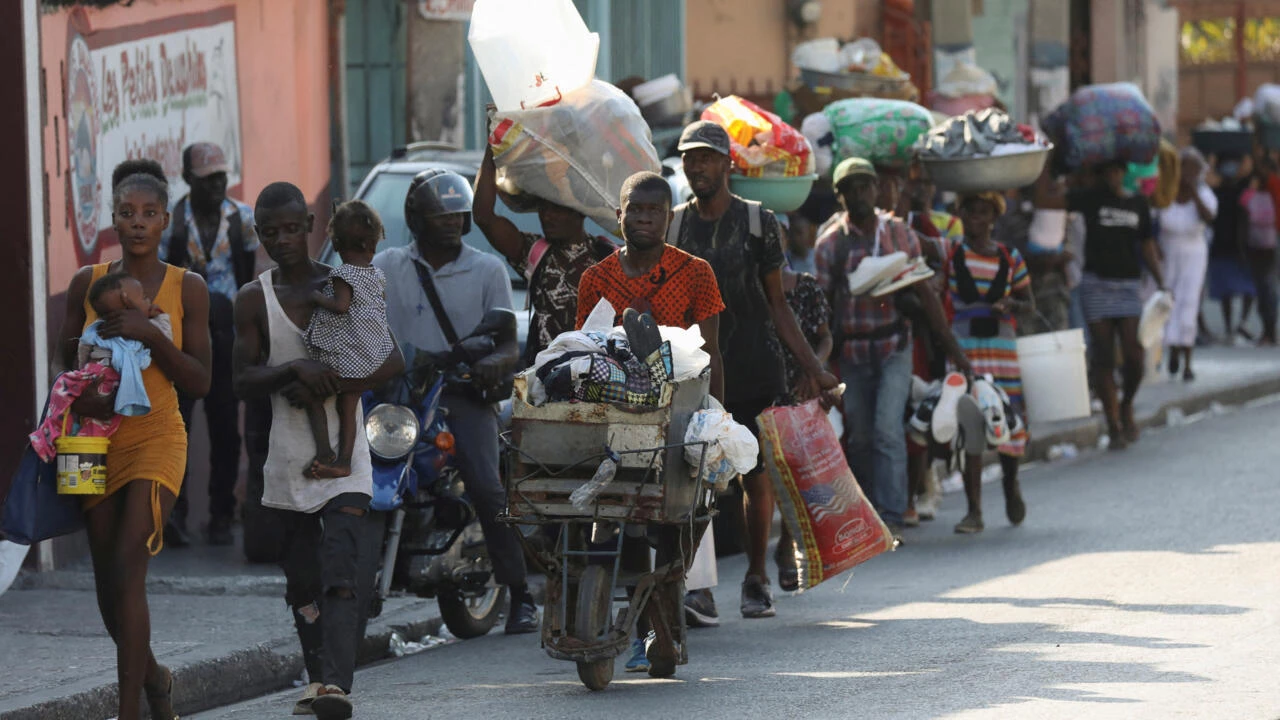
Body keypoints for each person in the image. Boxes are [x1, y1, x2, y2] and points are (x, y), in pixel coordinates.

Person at [232, 182, 404, 719]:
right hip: (287, 456)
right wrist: (292, 371)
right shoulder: (252, 298)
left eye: (291, 228)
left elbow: (393, 361)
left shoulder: (344, 283)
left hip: (347, 460)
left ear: (310, 226)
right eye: (271, 231)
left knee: (342, 566)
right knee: (302, 578)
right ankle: (316, 678)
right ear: (258, 234)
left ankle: (335, 685)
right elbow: (240, 380)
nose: (282, 239)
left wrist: (335, 380)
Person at [57, 159, 212, 720]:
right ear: (114, 221)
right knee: (107, 585)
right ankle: (156, 678)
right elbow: (66, 364)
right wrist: (83, 396)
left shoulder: (185, 287)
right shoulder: (87, 283)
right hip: (96, 442)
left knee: (128, 564)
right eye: (128, 213)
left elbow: (201, 379)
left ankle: (131, 711)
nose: (139, 222)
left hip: (156, 437)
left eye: (149, 213)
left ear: (165, 220)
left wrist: (150, 333)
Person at [670, 120, 840, 622]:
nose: (697, 166)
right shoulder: (675, 225)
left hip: (753, 362)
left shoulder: (758, 223)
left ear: (728, 165)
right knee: (692, 476)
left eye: (706, 157)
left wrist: (813, 368)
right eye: (690, 157)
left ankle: (756, 578)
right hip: (694, 369)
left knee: (754, 474)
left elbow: (778, 305)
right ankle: (698, 587)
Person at [372, 169, 539, 635]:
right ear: (417, 217)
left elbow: (507, 342)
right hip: (401, 396)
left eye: (456, 216)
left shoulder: (486, 270)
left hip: (463, 395)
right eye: (438, 214)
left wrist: (493, 365)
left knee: (487, 487)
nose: (449, 222)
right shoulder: (387, 265)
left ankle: (520, 593)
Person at [576, 170, 726, 673]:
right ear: (618, 215)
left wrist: (716, 419)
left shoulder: (696, 272)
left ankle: (664, 623)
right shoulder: (595, 279)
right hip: (614, 418)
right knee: (625, 521)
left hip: (678, 418)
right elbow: (584, 352)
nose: (643, 219)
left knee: (671, 527)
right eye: (634, 210)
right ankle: (641, 632)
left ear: (669, 217)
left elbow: (712, 354)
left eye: (653, 211)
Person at [815, 158, 972, 537]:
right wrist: (818, 363)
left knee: (887, 428)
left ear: (875, 189)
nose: (859, 195)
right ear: (840, 196)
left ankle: (890, 515)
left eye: (865, 186)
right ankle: (867, 515)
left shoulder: (898, 234)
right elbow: (822, 308)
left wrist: (956, 352)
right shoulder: (830, 244)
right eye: (850, 188)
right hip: (853, 351)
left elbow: (925, 294)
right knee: (861, 435)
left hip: (893, 346)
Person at [160, 142, 260, 547]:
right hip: (183, 338)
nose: (217, 185)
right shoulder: (172, 224)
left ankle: (221, 514)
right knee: (177, 425)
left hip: (227, 336)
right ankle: (175, 514)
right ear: (187, 180)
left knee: (224, 427)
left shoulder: (242, 219)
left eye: (221, 176)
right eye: (207, 179)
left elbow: (248, 277)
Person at [474, 146, 616, 366]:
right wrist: (492, 150)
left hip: (595, 376)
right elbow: (484, 217)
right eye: (543, 208)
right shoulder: (535, 253)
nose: (548, 217)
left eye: (557, 209)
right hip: (543, 378)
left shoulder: (607, 258)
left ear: (579, 212)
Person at [945, 192, 1034, 534]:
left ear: (993, 219)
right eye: (971, 212)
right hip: (965, 347)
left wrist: (1011, 304)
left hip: (1001, 347)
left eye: (984, 213)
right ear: (962, 215)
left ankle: (1011, 485)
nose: (977, 219)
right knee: (971, 420)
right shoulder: (952, 255)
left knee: (1007, 417)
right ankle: (974, 510)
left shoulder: (1010, 257)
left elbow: (1030, 302)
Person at [1069, 160, 1166, 448]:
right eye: (1107, 171)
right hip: (1096, 282)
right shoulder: (1089, 199)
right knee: (1103, 355)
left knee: (1134, 356)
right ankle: (1113, 422)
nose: (1113, 176)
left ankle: (1127, 404)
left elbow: (1147, 243)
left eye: (1117, 170)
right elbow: (1048, 201)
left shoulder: (1138, 203)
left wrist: (1161, 280)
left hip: (1127, 285)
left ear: (1125, 173)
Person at [31, 272, 175, 460]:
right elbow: (85, 346)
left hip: (114, 380)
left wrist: (156, 320)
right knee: (61, 389)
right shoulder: (101, 328)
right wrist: (81, 372)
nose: (149, 301)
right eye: (144, 298)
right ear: (127, 305)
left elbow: (165, 339)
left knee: (103, 419)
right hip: (91, 374)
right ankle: (50, 433)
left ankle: (81, 441)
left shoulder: (148, 328)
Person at [301, 200, 395, 479]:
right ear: (373, 245)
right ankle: (344, 460)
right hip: (372, 356)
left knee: (313, 396)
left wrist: (317, 297)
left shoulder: (343, 273)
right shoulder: (377, 275)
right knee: (349, 408)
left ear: (337, 244)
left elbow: (341, 306)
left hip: (346, 358)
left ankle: (324, 452)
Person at [770, 264, 832, 587]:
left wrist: (815, 370)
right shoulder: (751, 286)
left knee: (798, 469)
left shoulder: (806, 286)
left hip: (803, 387)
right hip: (763, 385)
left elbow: (825, 337)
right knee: (766, 472)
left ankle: (787, 542)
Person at [1158, 148, 1217, 380]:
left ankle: (1188, 360)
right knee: (1169, 301)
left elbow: (1209, 217)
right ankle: (1172, 350)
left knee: (1190, 302)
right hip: (1168, 253)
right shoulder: (1165, 195)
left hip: (1194, 253)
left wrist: (1192, 191)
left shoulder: (1203, 194)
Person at [1207, 153, 1256, 344]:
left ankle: (1242, 323)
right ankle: (1229, 328)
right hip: (1221, 248)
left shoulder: (1243, 190)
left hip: (1241, 249)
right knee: (1225, 292)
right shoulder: (1214, 192)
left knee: (1249, 289)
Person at [1241, 156, 1278, 345]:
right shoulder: (1257, 187)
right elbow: (1244, 203)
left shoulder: (1274, 184)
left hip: (1271, 244)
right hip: (1256, 245)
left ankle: (1270, 332)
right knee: (1263, 289)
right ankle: (1268, 331)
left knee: (1268, 288)